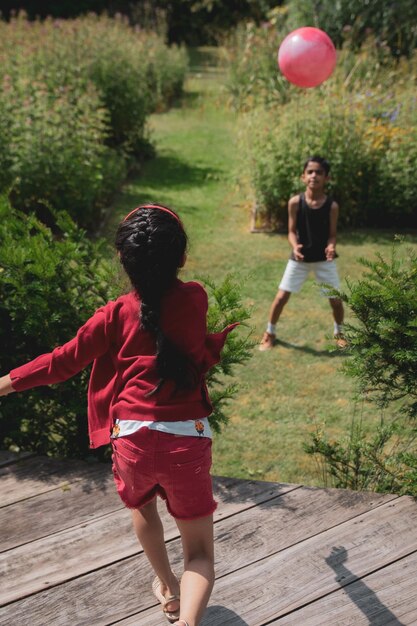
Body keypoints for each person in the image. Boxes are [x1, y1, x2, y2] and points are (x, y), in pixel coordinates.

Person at [0, 204, 238, 626]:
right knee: (199, 553)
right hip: (187, 436)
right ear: (181, 257)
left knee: (142, 507)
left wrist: (4, 382)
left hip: (130, 436)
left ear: (122, 260)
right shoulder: (195, 298)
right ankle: (187, 620)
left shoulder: (113, 315)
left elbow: (63, 361)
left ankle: (167, 589)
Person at [259, 155, 347, 351]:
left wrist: (331, 247)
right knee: (281, 297)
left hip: (324, 260)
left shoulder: (332, 206)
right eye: (310, 172)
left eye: (319, 172)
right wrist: (294, 246)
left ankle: (339, 332)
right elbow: (291, 231)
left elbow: (332, 235)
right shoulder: (295, 202)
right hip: (300, 258)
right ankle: (269, 333)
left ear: (327, 178)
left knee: (336, 301)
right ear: (303, 177)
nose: (314, 175)